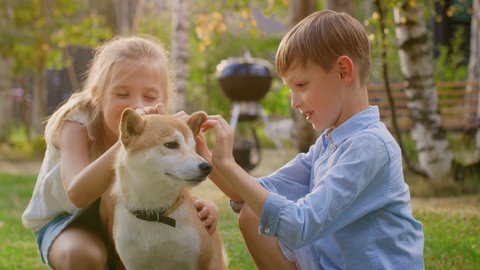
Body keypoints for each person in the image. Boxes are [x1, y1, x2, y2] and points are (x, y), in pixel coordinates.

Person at [199, 10, 424, 270]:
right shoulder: (328, 145)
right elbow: (248, 193)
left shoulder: (370, 146)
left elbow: (300, 226)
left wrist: (228, 163)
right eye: (290, 89)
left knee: (262, 213)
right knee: (253, 214)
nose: (294, 102)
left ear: (343, 71)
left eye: (302, 85)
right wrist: (203, 155)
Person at [22, 35, 219, 270]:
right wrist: (131, 141)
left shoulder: (160, 131)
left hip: (132, 221)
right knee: (82, 255)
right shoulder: (76, 123)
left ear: (164, 99)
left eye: (149, 96)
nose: (135, 105)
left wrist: (205, 206)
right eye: (122, 94)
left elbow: (162, 183)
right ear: (97, 94)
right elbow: (77, 194)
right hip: (68, 221)